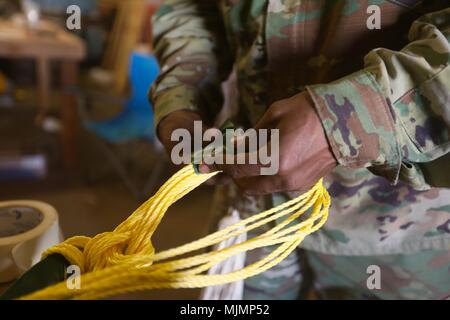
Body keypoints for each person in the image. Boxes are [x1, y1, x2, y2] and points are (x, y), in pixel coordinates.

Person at [150, 0, 450, 299]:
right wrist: (182, 93)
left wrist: (346, 120)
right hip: (253, 215)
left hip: (405, 230)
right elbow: (193, 7)